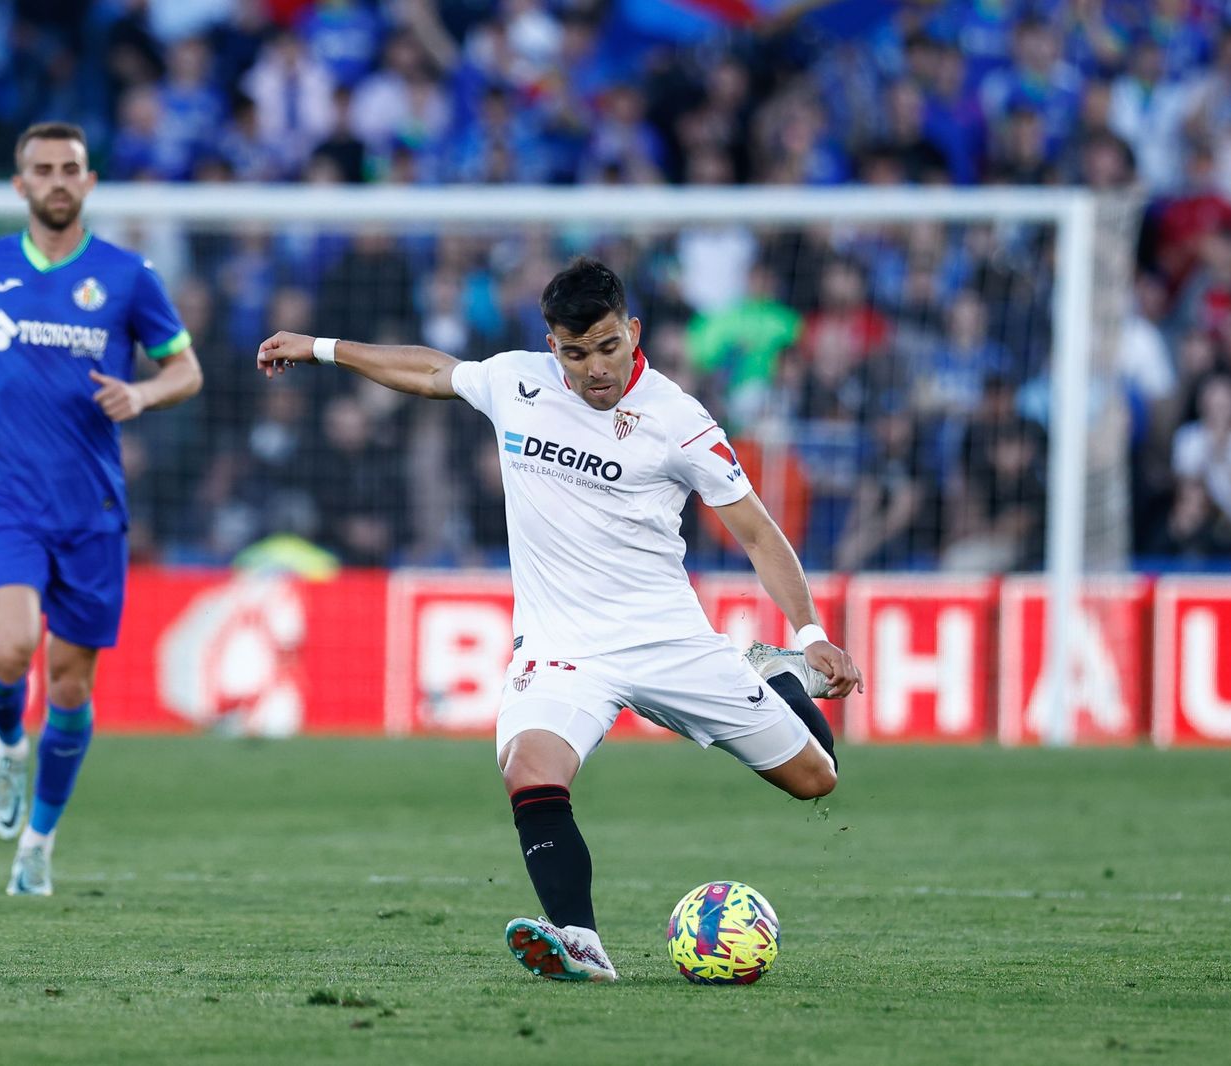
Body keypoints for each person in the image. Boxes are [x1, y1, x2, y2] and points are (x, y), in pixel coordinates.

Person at [256, 257, 859, 982]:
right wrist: (322, 348)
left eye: (608, 346)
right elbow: (430, 371)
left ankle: (776, 676)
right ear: (553, 347)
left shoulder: (680, 422)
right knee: (530, 767)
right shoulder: (518, 382)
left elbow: (757, 532)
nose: (596, 368)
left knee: (815, 778)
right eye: (576, 353)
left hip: (667, 640)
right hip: (562, 648)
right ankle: (580, 940)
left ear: (633, 333)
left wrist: (810, 635)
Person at [0, 122, 203, 896]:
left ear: (88, 182)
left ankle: (38, 845)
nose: (56, 180)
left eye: (69, 168)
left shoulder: (127, 276)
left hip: (93, 507)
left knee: (72, 688)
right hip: (8, 497)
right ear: (20, 184)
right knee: (12, 650)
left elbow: (186, 370)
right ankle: (8, 744)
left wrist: (142, 393)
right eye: (42, 169)